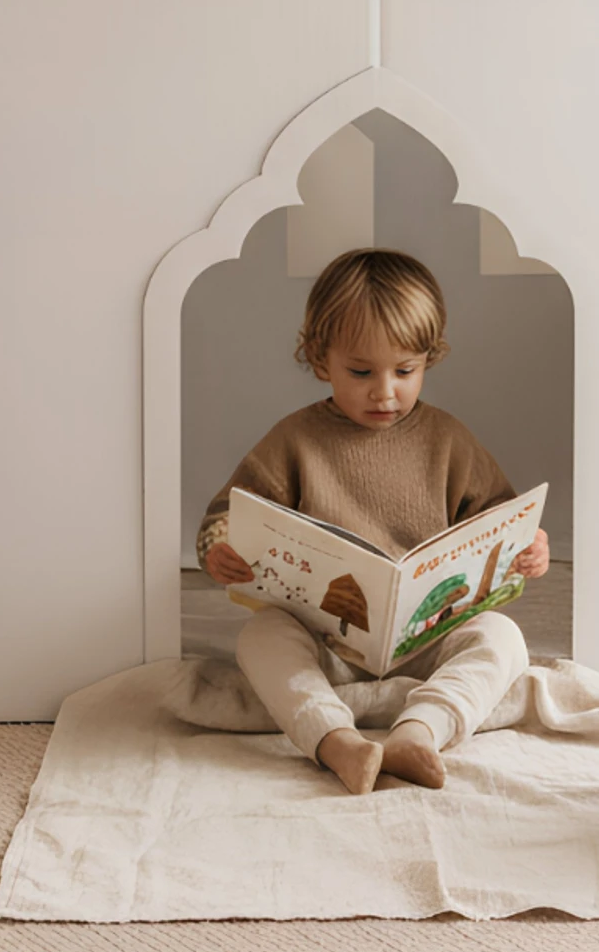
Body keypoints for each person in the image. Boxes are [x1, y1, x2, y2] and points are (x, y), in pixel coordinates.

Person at [199, 248, 550, 794]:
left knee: (503, 638)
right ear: (320, 360)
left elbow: (499, 520)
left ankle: (419, 732)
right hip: (326, 645)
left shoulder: (448, 439)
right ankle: (335, 740)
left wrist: (528, 549)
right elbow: (227, 514)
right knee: (260, 638)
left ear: (429, 357)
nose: (385, 391)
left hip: (429, 641)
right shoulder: (295, 439)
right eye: (360, 372)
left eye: (406, 370)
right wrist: (220, 550)